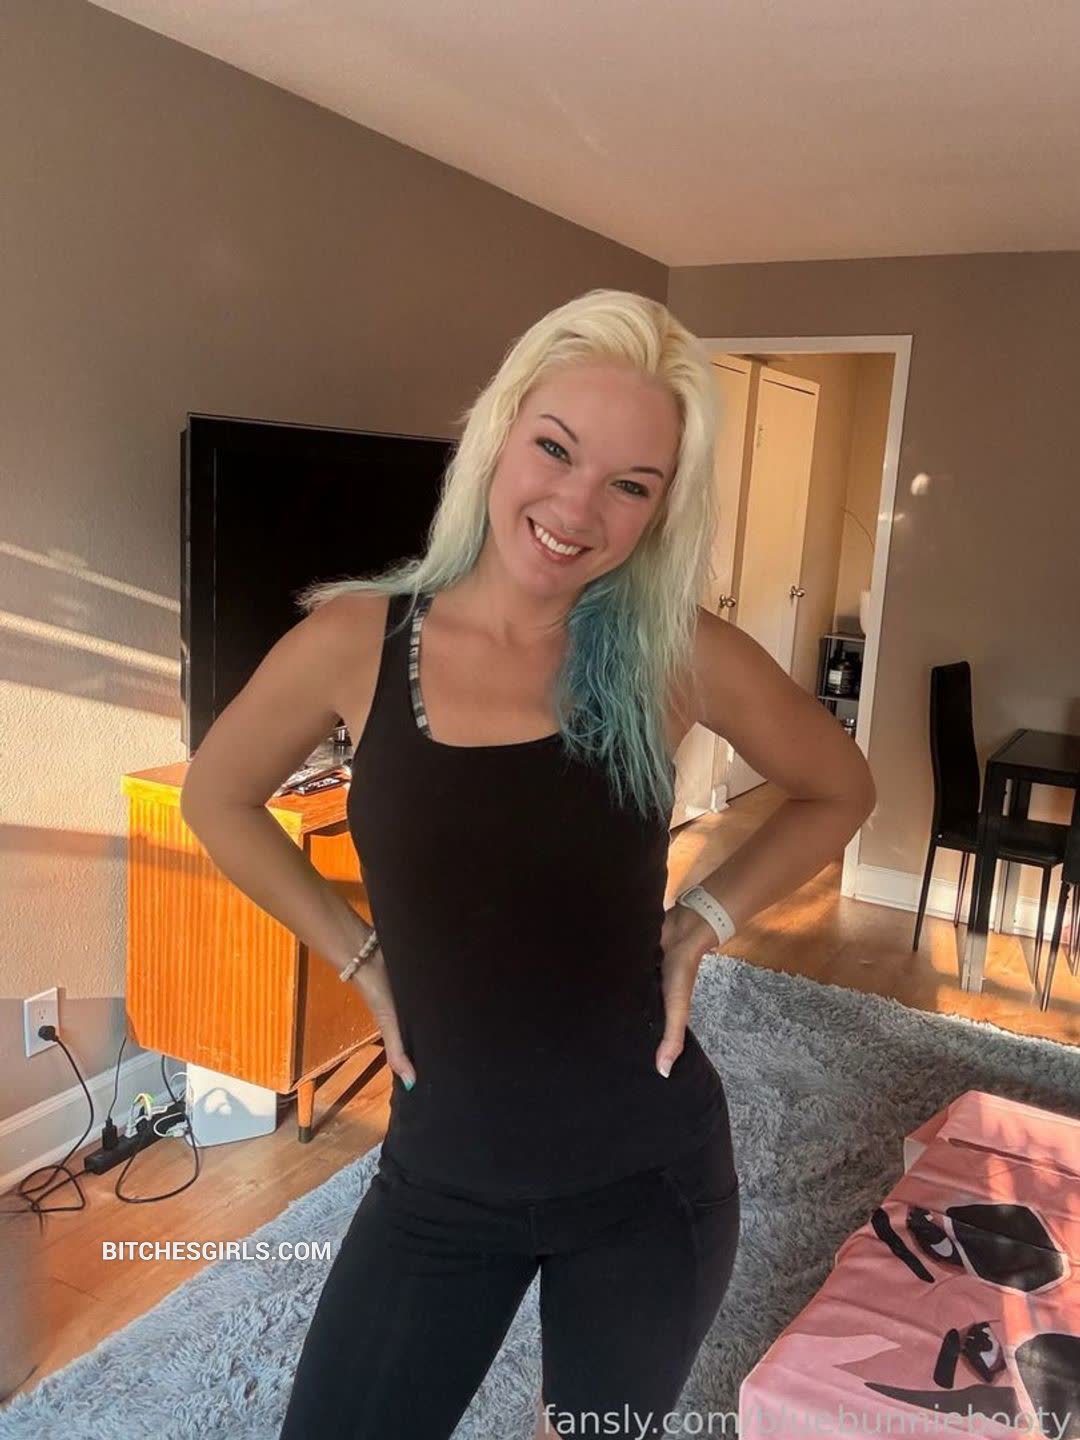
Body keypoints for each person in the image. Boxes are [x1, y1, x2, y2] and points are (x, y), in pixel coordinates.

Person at [180, 289, 876, 1438]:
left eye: (631, 485)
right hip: (439, 1179)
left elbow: (839, 786)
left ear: (661, 510)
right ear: (500, 433)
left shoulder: (676, 655)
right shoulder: (356, 641)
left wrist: (701, 921)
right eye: (556, 448)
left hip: (647, 1181)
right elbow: (216, 796)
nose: (576, 508)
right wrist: (358, 957)